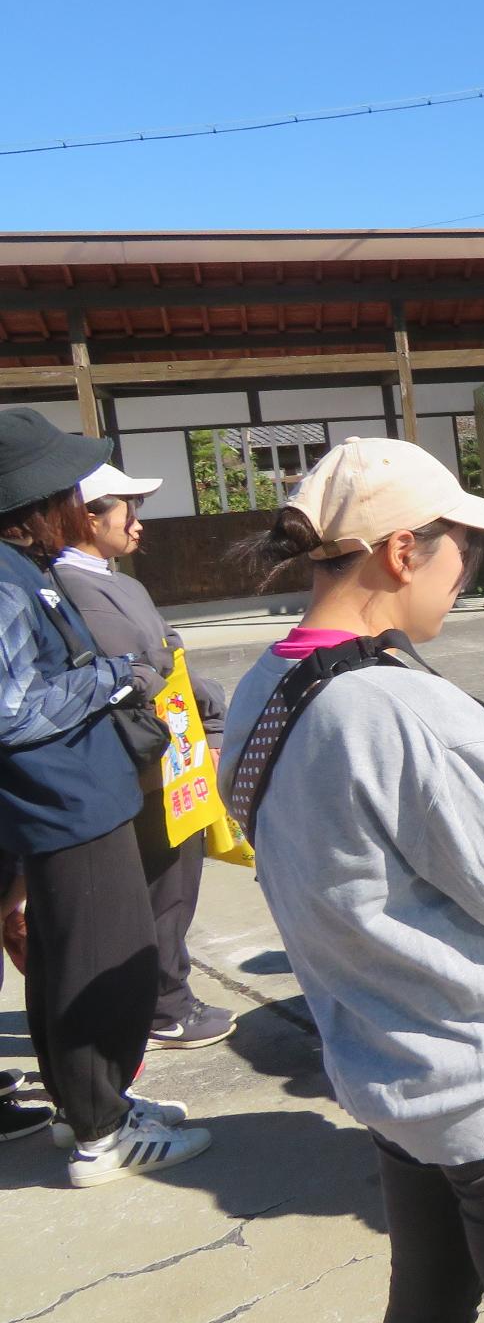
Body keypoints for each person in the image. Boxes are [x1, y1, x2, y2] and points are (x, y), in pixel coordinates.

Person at [219, 437, 484, 1323]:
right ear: (402, 550)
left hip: (390, 1070)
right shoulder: (402, 708)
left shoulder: (265, 685)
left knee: (427, 1313)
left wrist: (481, 793)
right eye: (459, 552)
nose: (464, 572)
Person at [0, 408, 210, 1182]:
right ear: (33, 502)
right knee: (101, 964)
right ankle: (103, 1132)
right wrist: (109, 676)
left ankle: (85, 1109)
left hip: (73, 801)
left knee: (68, 960)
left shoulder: (24, 573)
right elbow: (12, 709)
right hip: (66, 806)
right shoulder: (6, 579)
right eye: (67, 490)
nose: (78, 504)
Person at [52, 461, 237, 1052]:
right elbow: (144, 664)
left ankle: (166, 995)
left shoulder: (113, 578)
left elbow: (165, 648)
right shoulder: (72, 584)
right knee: (163, 879)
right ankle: (167, 1003)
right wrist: (189, 686)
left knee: (177, 873)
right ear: (88, 515)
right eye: (127, 508)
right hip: (142, 755)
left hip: (169, 745)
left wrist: (190, 691)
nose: (137, 524)